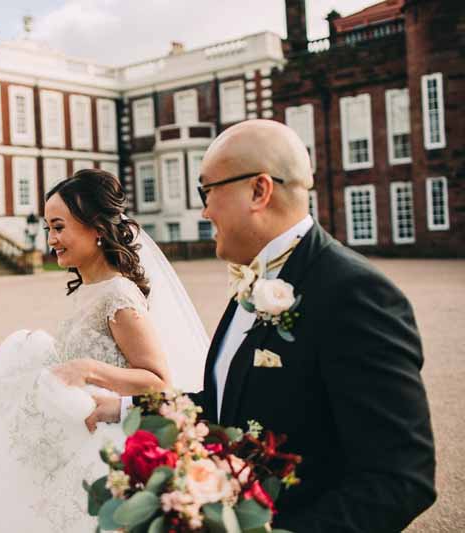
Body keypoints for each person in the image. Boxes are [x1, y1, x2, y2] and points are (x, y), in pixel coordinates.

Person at [89, 119, 437, 532]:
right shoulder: (252, 284)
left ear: (258, 190)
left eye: (208, 190)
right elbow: (227, 405)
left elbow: (400, 479)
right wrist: (124, 407)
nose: (204, 210)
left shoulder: (354, 293)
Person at [0, 169, 209, 532]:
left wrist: (87, 369)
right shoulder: (87, 289)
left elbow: (158, 380)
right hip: (68, 441)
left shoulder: (118, 295)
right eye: (48, 228)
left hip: (100, 447)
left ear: (97, 228)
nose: (51, 239)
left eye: (59, 227)